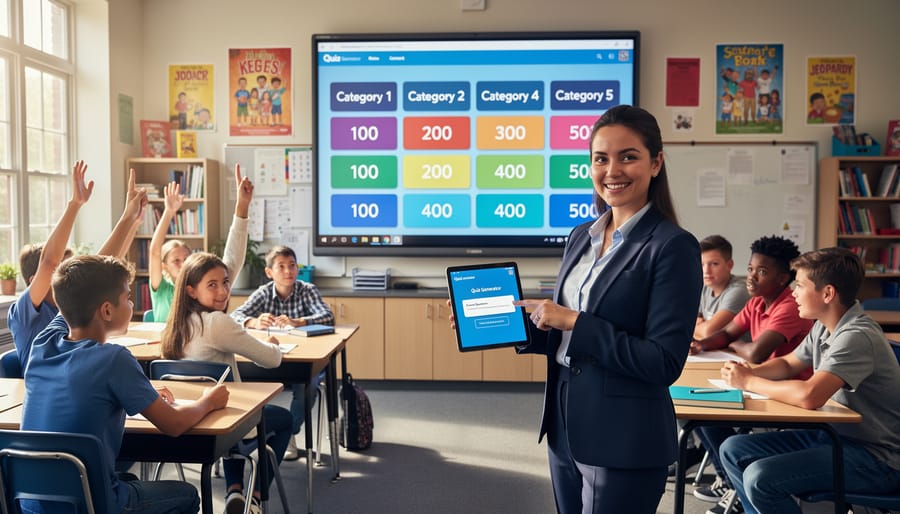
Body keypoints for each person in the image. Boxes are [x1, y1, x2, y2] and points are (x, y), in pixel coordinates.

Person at [511, 105, 702, 514]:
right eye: (600, 159)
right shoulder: (581, 235)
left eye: (627, 157)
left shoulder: (672, 246)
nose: (612, 171)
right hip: (565, 421)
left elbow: (663, 362)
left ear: (656, 163)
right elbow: (566, 335)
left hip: (624, 434)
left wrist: (574, 321)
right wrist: (505, 326)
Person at [23, 257, 229, 514]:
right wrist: (209, 401)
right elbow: (174, 424)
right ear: (107, 311)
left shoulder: (42, 344)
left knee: (129, 479)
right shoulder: (114, 359)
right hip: (93, 504)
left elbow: (74, 293)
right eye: (128, 297)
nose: (132, 304)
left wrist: (141, 392)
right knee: (187, 495)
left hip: (30, 505)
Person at [718, 248, 900, 514]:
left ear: (827, 294)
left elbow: (809, 396)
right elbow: (788, 364)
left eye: (800, 286)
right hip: (834, 438)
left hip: (877, 458)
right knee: (732, 449)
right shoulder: (824, 325)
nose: (793, 293)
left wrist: (748, 383)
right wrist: (748, 372)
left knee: (760, 478)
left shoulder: (856, 336)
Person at [690, 235, 814, 511]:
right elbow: (726, 334)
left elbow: (756, 352)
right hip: (761, 381)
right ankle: (730, 482)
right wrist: (701, 345)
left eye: (762, 271)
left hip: (786, 392)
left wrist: (733, 344)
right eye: (750, 269)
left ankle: (734, 487)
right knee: (702, 413)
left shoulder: (789, 306)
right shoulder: (757, 302)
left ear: (783, 279)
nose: (752, 276)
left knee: (710, 418)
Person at [161, 251, 291, 514]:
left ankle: (234, 491)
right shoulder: (216, 322)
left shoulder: (175, 326)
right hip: (220, 426)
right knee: (283, 420)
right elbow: (271, 360)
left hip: (184, 425)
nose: (223, 291)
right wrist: (273, 345)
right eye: (212, 284)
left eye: (226, 282)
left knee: (235, 409)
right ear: (191, 291)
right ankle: (255, 498)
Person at [9, 162, 145, 366]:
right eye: (61, 269)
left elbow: (97, 270)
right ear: (34, 280)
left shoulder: (69, 308)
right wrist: (75, 204)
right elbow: (49, 263)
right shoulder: (24, 313)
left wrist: (129, 218)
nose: (69, 272)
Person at [230, 245, 334, 460]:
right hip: (271, 358)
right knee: (240, 380)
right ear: (269, 272)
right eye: (281, 266)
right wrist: (253, 321)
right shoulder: (263, 292)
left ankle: (288, 432)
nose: (288, 271)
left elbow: (327, 316)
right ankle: (252, 434)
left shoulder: (307, 290)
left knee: (308, 386)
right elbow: (234, 316)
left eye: (292, 265)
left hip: (301, 360)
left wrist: (300, 321)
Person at [149, 164, 252, 322]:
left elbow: (232, 260)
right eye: (176, 261)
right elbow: (155, 252)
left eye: (186, 259)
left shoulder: (203, 289)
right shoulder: (163, 289)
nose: (183, 264)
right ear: (164, 267)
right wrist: (169, 212)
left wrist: (242, 206)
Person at [694, 235, 751, 341]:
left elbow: (708, 332)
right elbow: (689, 320)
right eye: (702, 264)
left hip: (735, 351)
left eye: (714, 264)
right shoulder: (705, 287)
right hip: (711, 348)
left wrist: (698, 326)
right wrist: (700, 326)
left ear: (729, 265)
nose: (706, 271)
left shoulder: (739, 291)